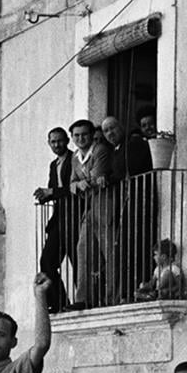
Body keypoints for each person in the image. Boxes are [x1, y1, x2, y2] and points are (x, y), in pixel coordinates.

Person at [102, 115, 154, 301]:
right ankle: (127, 291)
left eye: (113, 128)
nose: (110, 133)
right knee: (124, 247)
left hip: (139, 199)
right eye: (106, 131)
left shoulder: (134, 144)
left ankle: (139, 287)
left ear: (122, 127)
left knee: (137, 244)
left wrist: (110, 178)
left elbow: (128, 168)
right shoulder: (114, 150)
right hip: (126, 202)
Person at [69, 119, 114, 309]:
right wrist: (79, 185)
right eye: (76, 135)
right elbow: (72, 184)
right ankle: (82, 299)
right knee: (83, 249)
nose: (80, 138)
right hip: (91, 207)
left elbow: (96, 179)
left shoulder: (100, 150)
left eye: (84, 134)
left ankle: (113, 295)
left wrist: (81, 185)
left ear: (91, 135)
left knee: (109, 250)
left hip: (105, 204)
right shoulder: (75, 157)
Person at [34, 127, 77, 312]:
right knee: (47, 261)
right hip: (59, 218)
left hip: (75, 215)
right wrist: (44, 196)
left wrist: (51, 192)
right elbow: (55, 189)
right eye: (53, 142)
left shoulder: (75, 159)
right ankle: (60, 301)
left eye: (60, 141)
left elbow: (73, 188)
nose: (57, 144)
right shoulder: (54, 165)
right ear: (49, 143)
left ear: (67, 140)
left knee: (76, 260)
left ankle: (83, 299)